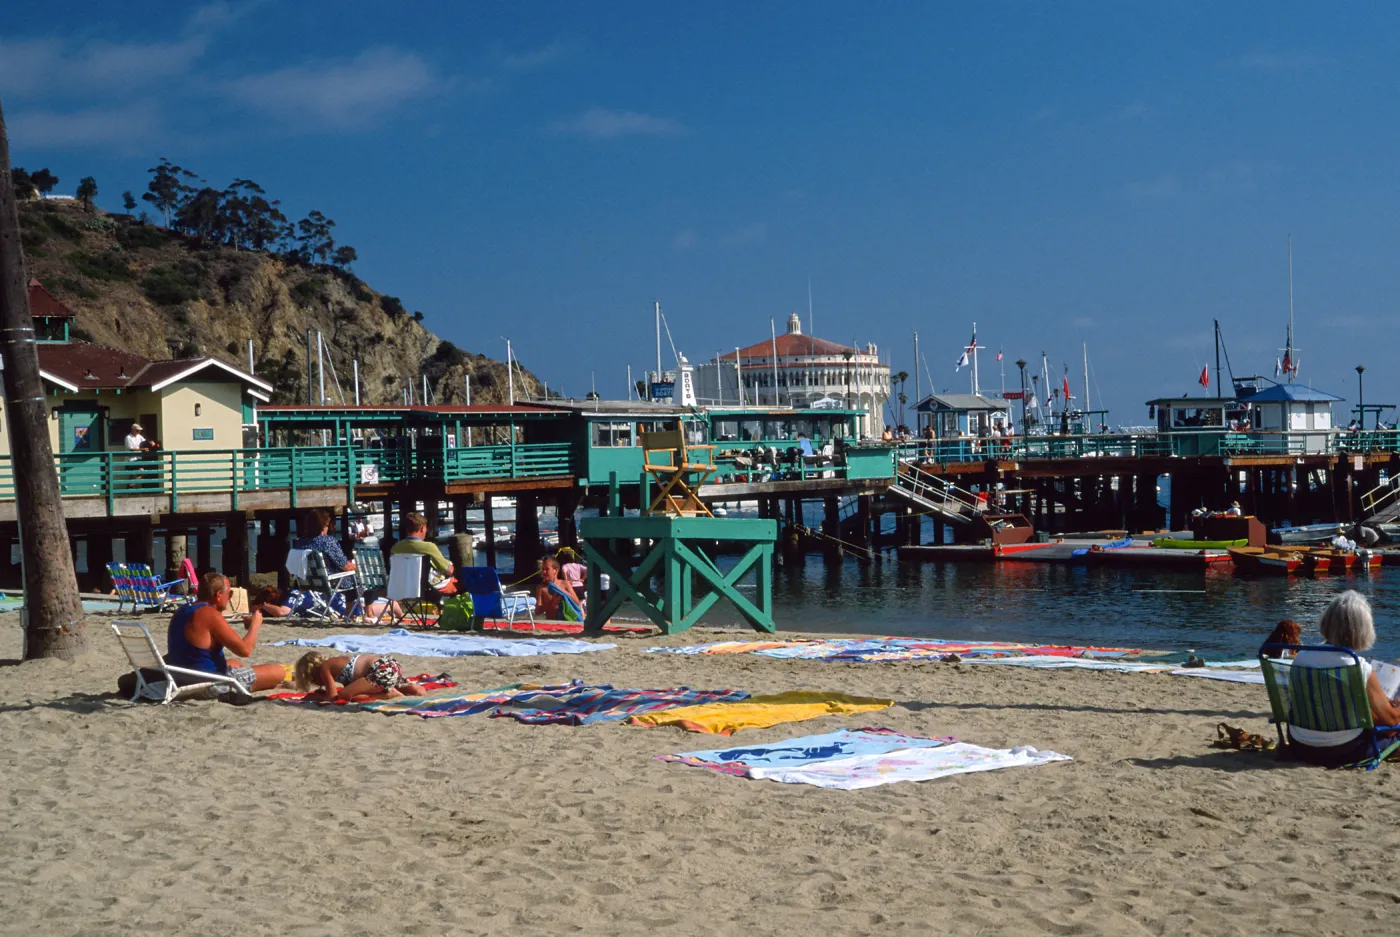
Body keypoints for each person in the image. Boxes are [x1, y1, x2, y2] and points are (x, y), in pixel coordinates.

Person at [1288, 591, 1400, 766]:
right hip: (1343, 749)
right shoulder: (1358, 667)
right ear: (1363, 630)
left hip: (1299, 744)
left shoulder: (1301, 657)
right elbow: (1392, 721)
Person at [166, 573, 284, 694]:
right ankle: (285, 679)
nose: (229, 598)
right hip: (209, 683)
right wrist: (255, 624)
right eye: (229, 594)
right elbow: (245, 650)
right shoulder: (210, 614)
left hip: (180, 677)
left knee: (235, 663)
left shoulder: (183, 610)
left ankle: (266, 684)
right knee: (278, 671)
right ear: (218, 595)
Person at [292, 650, 427, 701]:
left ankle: (390, 694)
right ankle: (412, 689)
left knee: (345, 695)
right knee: (355, 692)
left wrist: (317, 697)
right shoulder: (336, 663)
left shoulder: (325, 667)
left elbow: (334, 697)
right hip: (390, 665)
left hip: (381, 670)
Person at [390, 511, 457, 594]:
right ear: (422, 528)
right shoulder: (429, 547)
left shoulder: (395, 548)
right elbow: (449, 570)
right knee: (457, 585)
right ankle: (443, 606)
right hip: (426, 588)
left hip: (403, 588)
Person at [291, 508, 357, 588]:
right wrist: (357, 566)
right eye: (327, 525)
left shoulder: (300, 542)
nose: (328, 528)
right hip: (331, 583)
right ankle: (364, 599)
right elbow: (345, 566)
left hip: (308, 584)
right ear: (323, 525)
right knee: (358, 579)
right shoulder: (327, 541)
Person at [535, 556, 584, 620]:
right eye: (543, 569)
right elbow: (537, 611)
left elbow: (577, 602)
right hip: (552, 622)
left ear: (555, 570)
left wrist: (562, 591)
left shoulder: (565, 584)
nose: (544, 572)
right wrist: (552, 603)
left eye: (547, 569)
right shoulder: (541, 588)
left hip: (567, 622)